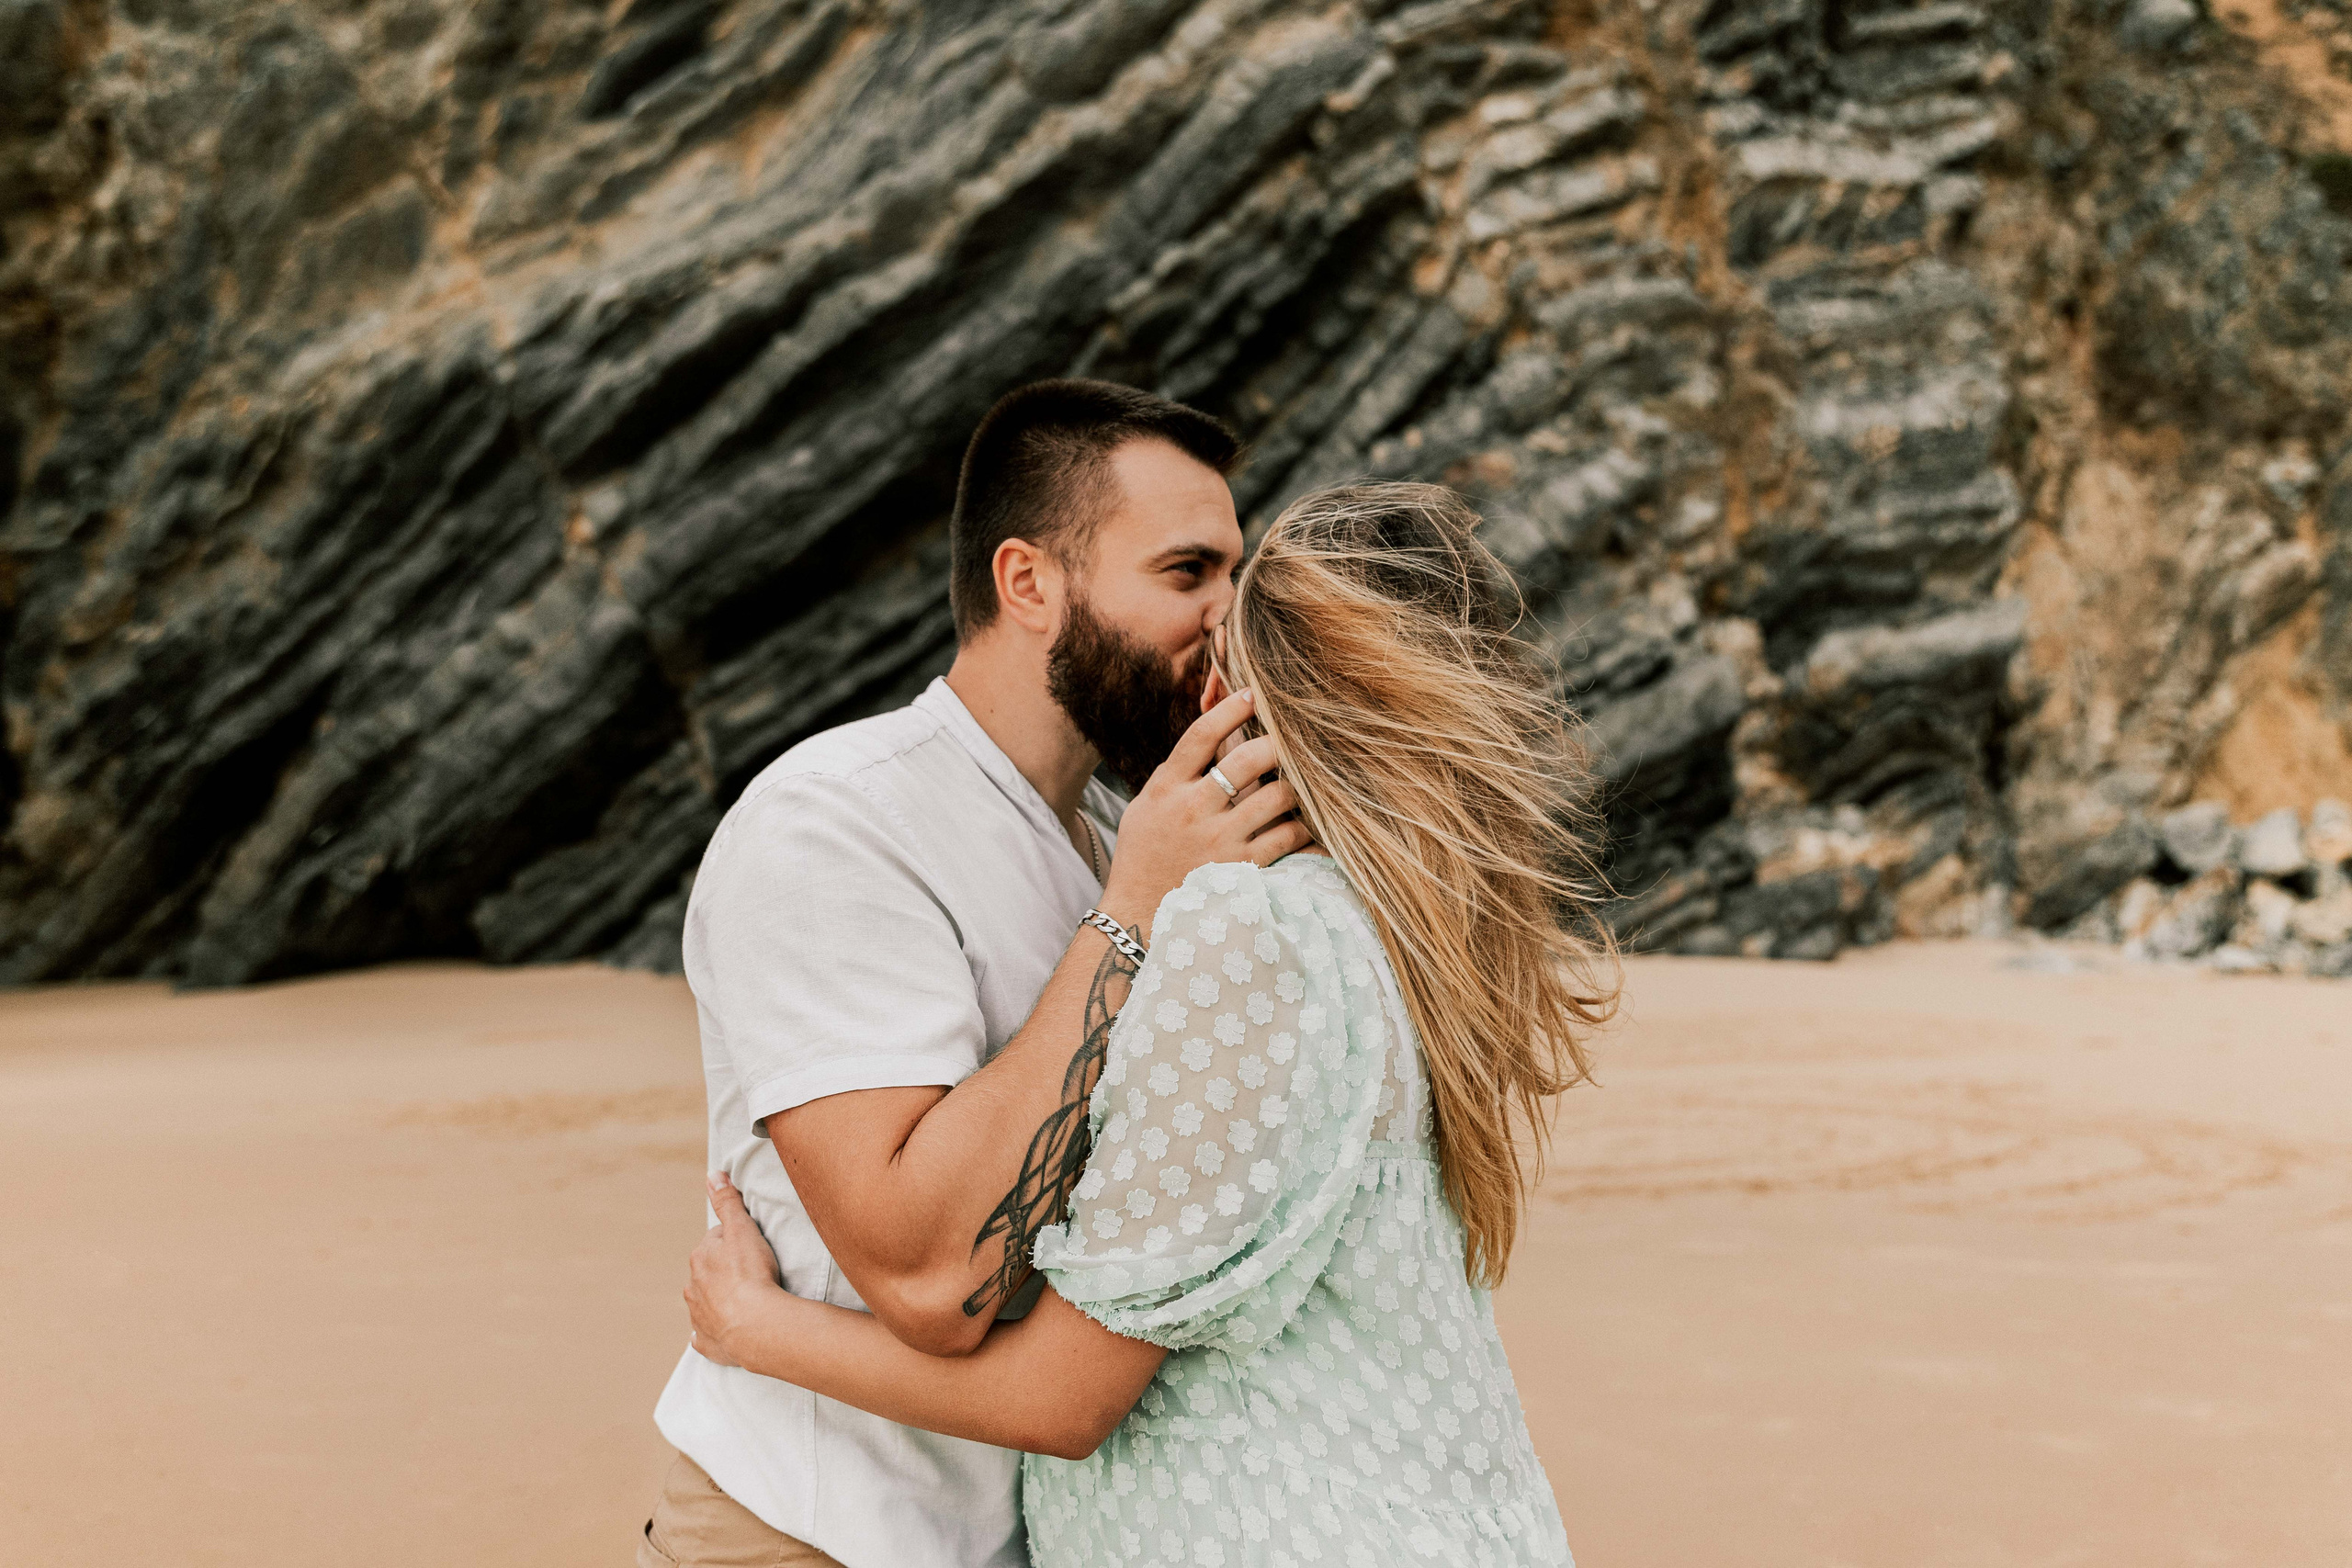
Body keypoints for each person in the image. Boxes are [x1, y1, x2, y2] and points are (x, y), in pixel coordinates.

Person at [684, 481, 1623, 1567]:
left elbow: (1063, 1398)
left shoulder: (1244, 931)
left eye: (1220, 602)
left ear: (1232, 694)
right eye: (1186, 574)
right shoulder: (1403, 921)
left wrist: (759, 1331)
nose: (1195, 627)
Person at [640, 378, 1317, 1568]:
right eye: (1187, 572)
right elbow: (929, 1271)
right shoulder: (835, 825)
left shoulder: (1126, 832)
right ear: (1029, 583)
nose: (1228, 617)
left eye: (1235, 573)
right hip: (811, 1534)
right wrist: (1134, 914)